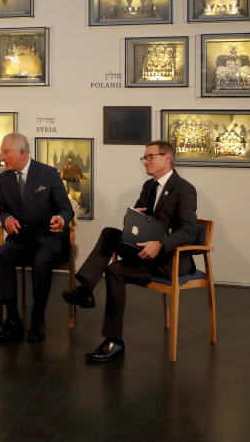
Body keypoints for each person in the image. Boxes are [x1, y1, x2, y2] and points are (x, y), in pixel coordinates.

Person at [63, 140, 198, 362]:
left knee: (115, 270)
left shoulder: (184, 189)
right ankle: (86, 289)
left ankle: (114, 342)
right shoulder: (149, 186)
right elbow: (133, 220)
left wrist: (161, 244)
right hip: (142, 249)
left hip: (166, 258)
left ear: (167, 158)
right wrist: (133, 215)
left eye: (149, 157)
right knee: (109, 233)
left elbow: (190, 231)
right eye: (144, 158)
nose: (145, 162)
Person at [0, 132, 74, 344]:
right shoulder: (4, 178)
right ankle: (12, 321)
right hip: (21, 237)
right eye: (3, 152)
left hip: (48, 236)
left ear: (22, 152)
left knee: (41, 263)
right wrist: (7, 218)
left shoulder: (48, 174)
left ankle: (38, 320)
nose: (2, 157)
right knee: (2, 254)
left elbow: (66, 209)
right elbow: (2, 210)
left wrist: (61, 219)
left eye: (6, 152)